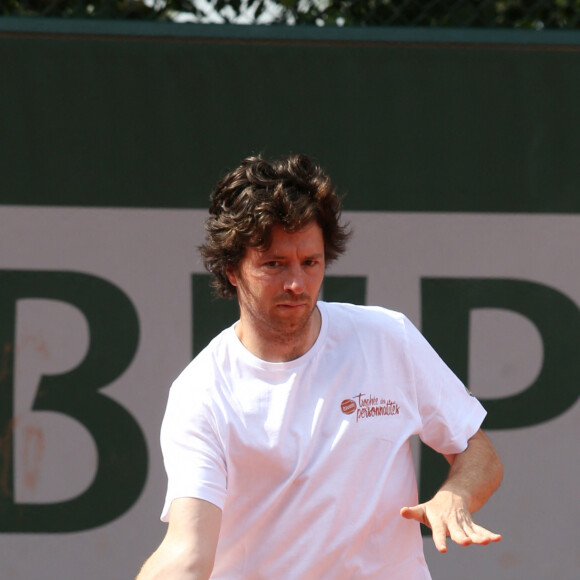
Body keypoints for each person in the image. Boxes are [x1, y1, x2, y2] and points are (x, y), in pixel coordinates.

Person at [136, 154, 503, 580]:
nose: (297, 283)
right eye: (274, 264)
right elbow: (188, 554)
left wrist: (454, 495)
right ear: (231, 269)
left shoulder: (388, 338)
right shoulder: (200, 393)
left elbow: (478, 451)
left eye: (310, 263)